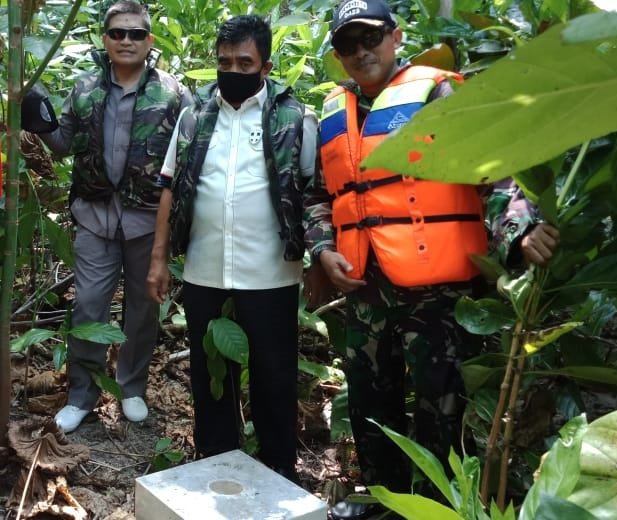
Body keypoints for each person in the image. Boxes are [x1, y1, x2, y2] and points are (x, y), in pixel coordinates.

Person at [304, 0, 560, 517]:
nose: (360, 52)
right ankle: (381, 499)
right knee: (370, 402)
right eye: (346, 45)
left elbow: (496, 171)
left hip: (438, 291)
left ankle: (436, 506)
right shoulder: (334, 110)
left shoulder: (437, 92)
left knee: (441, 407)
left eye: (369, 38)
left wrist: (520, 228)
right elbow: (318, 194)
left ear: (395, 37)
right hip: (364, 288)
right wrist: (322, 248)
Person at [147, 14, 318, 480]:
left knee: (274, 373)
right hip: (204, 269)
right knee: (210, 370)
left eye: (245, 62)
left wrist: (319, 263)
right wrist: (160, 260)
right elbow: (169, 188)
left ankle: (279, 466)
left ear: (265, 65)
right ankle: (216, 457)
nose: (233, 70)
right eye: (225, 61)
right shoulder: (194, 117)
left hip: (271, 273)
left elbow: (313, 194)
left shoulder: (296, 119)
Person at [21, 0, 191, 433]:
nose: (127, 41)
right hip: (95, 216)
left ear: (149, 41)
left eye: (136, 34)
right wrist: (38, 119)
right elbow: (63, 146)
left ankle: (131, 387)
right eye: (119, 33)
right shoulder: (84, 88)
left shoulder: (172, 93)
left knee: (142, 310)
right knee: (89, 308)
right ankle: (82, 394)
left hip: (147, 221)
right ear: (106, 39)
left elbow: (188, 157)